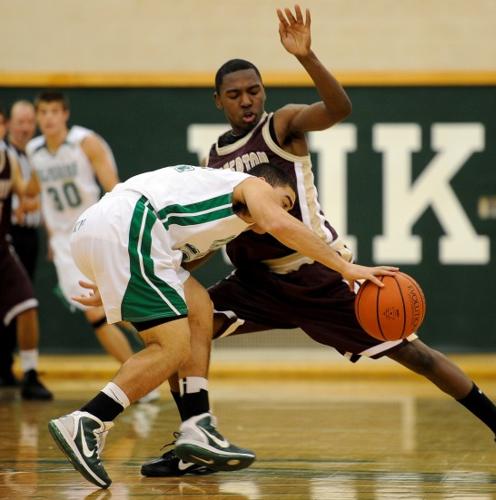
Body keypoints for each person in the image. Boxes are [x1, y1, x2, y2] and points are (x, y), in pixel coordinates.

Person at [141, 5, 496, 478]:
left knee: (414, 353)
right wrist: (170, 273)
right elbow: (211, 233)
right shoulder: (213, 158)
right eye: (234, 95)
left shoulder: (283, 126)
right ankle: (195, 438)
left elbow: (339, 109)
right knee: (184, 332)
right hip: (254, 283)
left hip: (319, 273)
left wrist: (308, 57)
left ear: (264, 92)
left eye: (253, 90)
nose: (246, 100)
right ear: (218, 100)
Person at [49, 161, 394, 489]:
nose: (285, 210)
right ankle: (89, 421)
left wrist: (114, 277)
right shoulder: (251, 185)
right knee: (172, 347)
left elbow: (179, 266)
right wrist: (344, 267)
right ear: (268, 185)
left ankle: (197, 426)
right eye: (285, 201)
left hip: (105, 230)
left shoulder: (221, 217)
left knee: (199, 306)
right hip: (129, 223)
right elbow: (279, 224)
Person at [26, 91, 157, 401]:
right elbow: (36, 191)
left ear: (65, 114)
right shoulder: (34, 151)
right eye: (43, 112)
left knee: (112, 308)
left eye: (54, 111)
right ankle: (142, 374)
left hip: (92, 231)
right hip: (62, 243)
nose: (48, 118)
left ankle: (151, 365)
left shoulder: (86, 143)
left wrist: (116, 230)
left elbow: (114, 188)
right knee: (100, 312)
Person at [0, 105, 52, 400]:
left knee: (26, 304)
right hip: (12, 236)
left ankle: (29, 373)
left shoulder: (13, 157)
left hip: (5, 245)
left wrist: (39, 169)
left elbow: (26, 193)